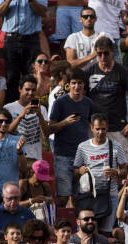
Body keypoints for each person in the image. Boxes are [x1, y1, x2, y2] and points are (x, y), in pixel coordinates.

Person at [73, 114, 128, 233]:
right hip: (88, 196)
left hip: (110, 195)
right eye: (97, 129)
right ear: (91, 128)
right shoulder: (83, 147)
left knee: (106, 232)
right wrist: (80, 171)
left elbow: (125, 170)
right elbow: (74, 171)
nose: (100, 132)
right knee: (86, 232)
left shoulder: (116, 146)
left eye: (103, 129)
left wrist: (117, 172)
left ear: (107, 128)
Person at [84, 36, 128, 151]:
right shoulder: (89, 71)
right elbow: (77, 93)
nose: (103, 57)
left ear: (112, 51)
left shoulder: (122, 71)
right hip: (94, 128)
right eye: (99, 54)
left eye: (106, 53)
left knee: (122, 164)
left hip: (117, 127)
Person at [48, 68, 93, 207]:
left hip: (82, 157)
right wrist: (65, 122)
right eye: (73, 83)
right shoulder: (60, 102)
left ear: (84, 85)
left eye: (80, 83)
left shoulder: (88, 103)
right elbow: (50, 128)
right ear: (68, 85)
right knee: (62, 197)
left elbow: (93, 126)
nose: (77, 86)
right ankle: (61, 226)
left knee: (81, 197)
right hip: (62, 155)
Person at [0, 0, 47, 103]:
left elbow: (43, 12)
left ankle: (32, 107)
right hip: (11, 39)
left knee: (31, 76)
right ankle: (12, 107)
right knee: (12, 77)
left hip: (31, 39)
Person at [5, 75, 49, 163]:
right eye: (27, 89)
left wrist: (39, 115)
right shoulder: (8, 108)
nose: (30, 93)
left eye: (33, 90)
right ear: (20, 89)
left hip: (35, 158)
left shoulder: (42, 109)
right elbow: (6, 132)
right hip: (14, 157)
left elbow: (46, 135)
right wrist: (21, 115)